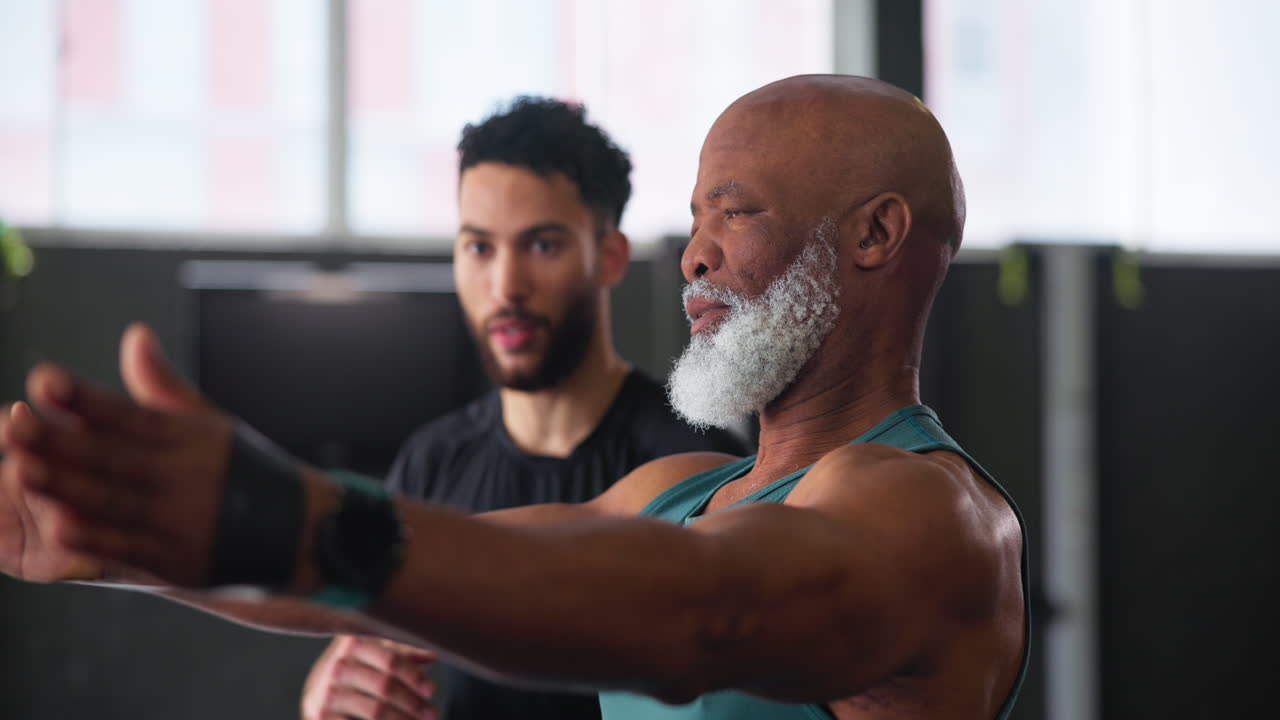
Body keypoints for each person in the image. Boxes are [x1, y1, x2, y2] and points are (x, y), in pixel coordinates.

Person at [0, 74, 1030, 719]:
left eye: (736, 212)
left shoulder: (927, 511)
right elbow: (431, 575)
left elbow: (699, 614)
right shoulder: (674, 492)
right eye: (693, 218)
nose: (695, 257)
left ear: (874, 235)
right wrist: (115, 545)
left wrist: (277, 512)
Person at [301, 97, 745, 720]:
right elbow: (370, 656)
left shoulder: (693, 464)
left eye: (541, 245)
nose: (506, 287)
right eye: (479, 248)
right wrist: (335, 696)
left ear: (609, 256)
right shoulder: (431, 463)